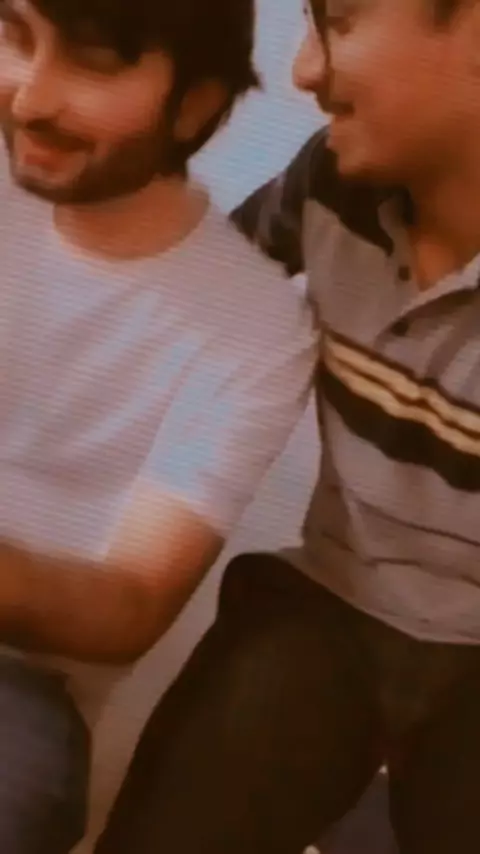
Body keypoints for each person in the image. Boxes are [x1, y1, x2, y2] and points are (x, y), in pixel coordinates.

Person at [93, 2, 480, 853]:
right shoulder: (331, 185)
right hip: (333, 603)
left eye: (337, 20)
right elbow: (192, 308)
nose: (303, 70)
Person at [0, 0, 319, 850]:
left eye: (93, 61)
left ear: (195, 105)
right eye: (15, 36)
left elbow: (133, 604)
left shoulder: (253, 328)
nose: (29, 96)